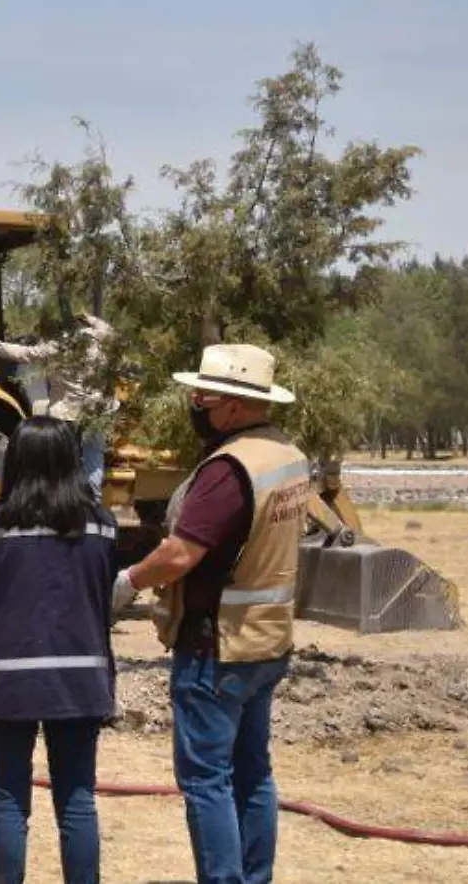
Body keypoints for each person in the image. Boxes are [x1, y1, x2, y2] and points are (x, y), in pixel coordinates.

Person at [110, 344, 309, 884]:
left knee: (206, 781)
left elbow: (180, 553)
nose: (195, 402)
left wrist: (126, 583)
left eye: (204, 394)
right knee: (253, 774)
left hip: (216, 648)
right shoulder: (285, 454)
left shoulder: (228, 470)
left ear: (236, 406)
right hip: (265, 645)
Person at [0, 415, 118, 884]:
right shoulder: (104, 527)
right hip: (80, 680)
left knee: (8, 801)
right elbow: (104, 594)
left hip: (5, 681)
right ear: (72, 463)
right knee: (77, 800)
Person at [0, 312, 117, 496]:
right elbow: (110, 330)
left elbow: (24, 354)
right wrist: (89, 317)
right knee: (93, 459)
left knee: (65, 462)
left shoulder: (57, 347)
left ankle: (67, 502)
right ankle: (93, 503)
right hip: (98, 411)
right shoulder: (101, 338)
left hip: (68, 413)